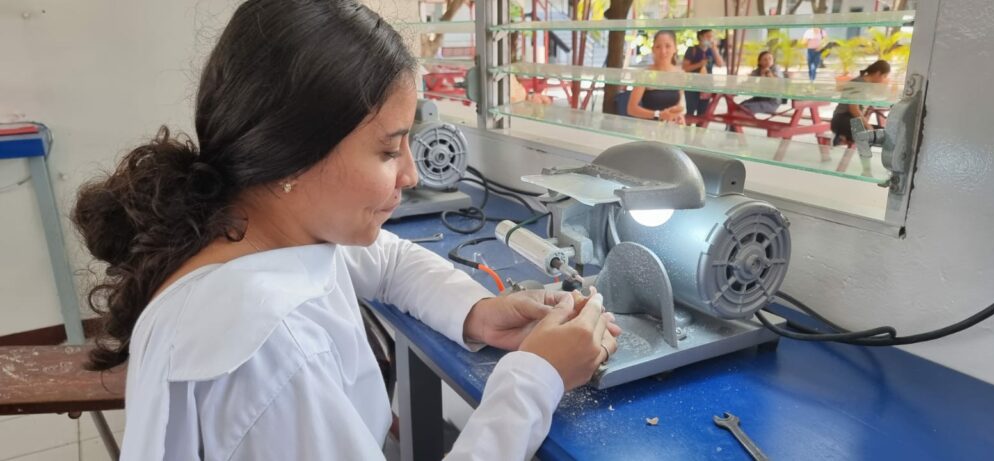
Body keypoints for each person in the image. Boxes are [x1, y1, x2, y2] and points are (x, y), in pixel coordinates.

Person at [71, 1, 620, 459]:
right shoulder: (272, 351)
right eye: (388, 150)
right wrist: (535, 378)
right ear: (292, 153)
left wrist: (478, 311)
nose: (411, 174)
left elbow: (388, 261)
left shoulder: (246, 228)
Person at [626, 30, 685, 123]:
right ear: (653, 49)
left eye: (668, 46)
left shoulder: (680, 74)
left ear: (675, 48)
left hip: (671, 128)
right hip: (648, 127)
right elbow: (631, 109)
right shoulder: (645, 74)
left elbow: (679, 105)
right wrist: (658, 114)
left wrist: (679, 116)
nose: (663, 51)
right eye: (658, 47)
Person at [831, 60, 891, 146]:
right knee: (876, 135)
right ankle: (843, 135)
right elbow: (853, 109)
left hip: (853, 121)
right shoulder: (858, 83)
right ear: (878, 73)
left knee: (886, 133)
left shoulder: (869, 85)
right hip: (841, 120)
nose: (884, 80)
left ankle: (845, 137)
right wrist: (868, 126)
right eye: (884, 76)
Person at [728, 51, 787, 132]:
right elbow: (749, 83)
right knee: (738, 107)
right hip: (758, 99)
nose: (768, 61)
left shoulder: (776, 69)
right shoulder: (757, 71)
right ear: (759, 62)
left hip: (771, 102)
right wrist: (740, 85)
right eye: (765, 59)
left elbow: (777, 83)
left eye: (770, 59)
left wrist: (768, 73)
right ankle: (732, 132)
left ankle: (738, 132)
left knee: (746, 108)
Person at [682, 29, 725, 119]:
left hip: (706, 86)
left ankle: (700, 127)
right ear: (701, 37)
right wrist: (700, 64)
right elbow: (685, 68)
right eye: (708, 36)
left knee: (702, 113)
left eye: (712, 36)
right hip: (692, 86)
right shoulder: (692, 50)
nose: (710, 39)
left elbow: (720, 64)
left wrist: (714, 49)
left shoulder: (712, 51)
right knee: (690, 111)